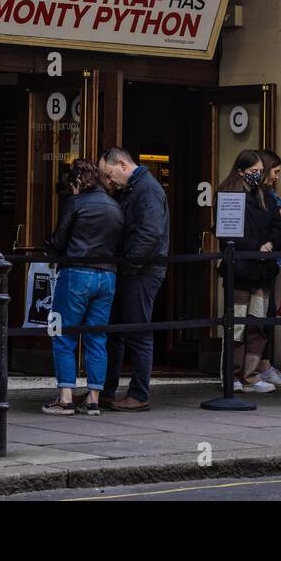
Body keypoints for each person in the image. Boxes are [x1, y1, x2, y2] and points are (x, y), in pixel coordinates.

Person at [41, 159, 124, 416]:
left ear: (77, 181)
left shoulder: (76, 203)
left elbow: (59, 239)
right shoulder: (115, 206)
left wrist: (50, 248)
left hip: (76, 273)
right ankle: (94, 398)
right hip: (108, 276)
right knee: (96, 338)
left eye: (72, 185)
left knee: (63, 334)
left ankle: (66, 398)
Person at [98, 146, 168, 412]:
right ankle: (106, 390)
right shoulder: (134, 189)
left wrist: (128, 264)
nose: (108, 181)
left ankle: (139, 394)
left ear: (123, 165)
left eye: (109, 174)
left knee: (138, 332)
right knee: (118, 333)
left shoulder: (147, 189)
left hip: (141, 272)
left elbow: (150, 235)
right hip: (134, 269)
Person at [216, 150, 281, 394]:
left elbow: (277, 225)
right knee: (236, 326)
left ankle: (251, 374)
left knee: (257, 325)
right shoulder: (228, 195)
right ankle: (232, 374)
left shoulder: (265, 196)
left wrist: (269, 244)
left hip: (262, 271)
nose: (258, 175)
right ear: (240, 172)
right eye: (254, 171)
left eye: (260, 171)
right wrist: (255, 246)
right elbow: (226, 233)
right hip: (240, 270)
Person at [257, 149, 281, 388]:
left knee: (268, 314)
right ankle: (259, 367)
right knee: (260, 315)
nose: (277, 177)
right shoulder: (260, 196)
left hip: (272, 262)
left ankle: (264, 365)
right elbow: (260, 226)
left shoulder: (271, 195)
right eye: (276, 171)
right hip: (260, 262)